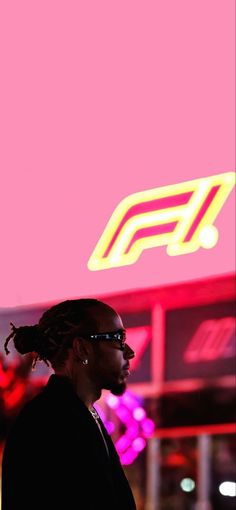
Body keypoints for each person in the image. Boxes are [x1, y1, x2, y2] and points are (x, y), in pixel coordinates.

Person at [1, 298, 137, 510]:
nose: (129, 352)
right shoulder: (47, 423)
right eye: (118, 338)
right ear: (82, 349)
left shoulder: (79, 414)